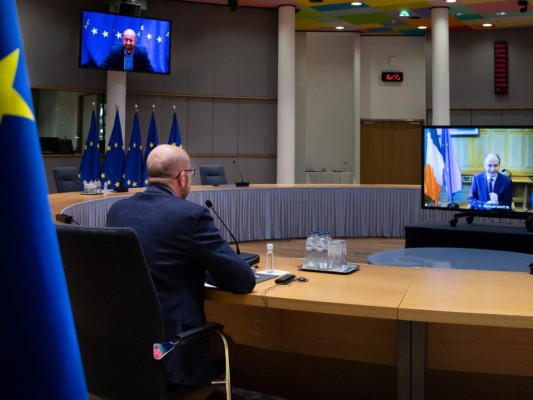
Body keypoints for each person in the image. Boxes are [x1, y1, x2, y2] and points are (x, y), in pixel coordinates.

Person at [106, 144, 256, 387]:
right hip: (172, 348)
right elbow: (243, 280)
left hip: (126, 347)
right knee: (227, 344)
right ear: (183, 177)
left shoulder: (117, 210)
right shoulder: (191, 216)